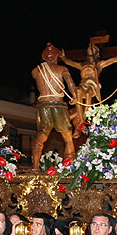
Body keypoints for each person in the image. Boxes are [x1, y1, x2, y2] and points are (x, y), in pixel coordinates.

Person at [60, 42, 117, 126]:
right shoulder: (82, 65)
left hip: (92, 86)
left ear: (96, 52)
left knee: (87, 94)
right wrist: (63, 57)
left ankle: (83, 121)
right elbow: (70, 62)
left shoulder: (98, 65)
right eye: (89, 48)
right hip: (83, 84)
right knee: (78, 90)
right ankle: (82, 120)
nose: (90, 48)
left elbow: (114, 59)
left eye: (93, 48)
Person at [31, 42, 78, 170]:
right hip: (58, 105)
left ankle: (35, 167)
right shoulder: (62, 69)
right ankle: (70, 168)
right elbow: (71, 84)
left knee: (41, 134)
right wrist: (75, 96)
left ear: (44, 57)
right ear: (57, 56)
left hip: (43, 106)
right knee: (67, 136)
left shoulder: (36, 71)